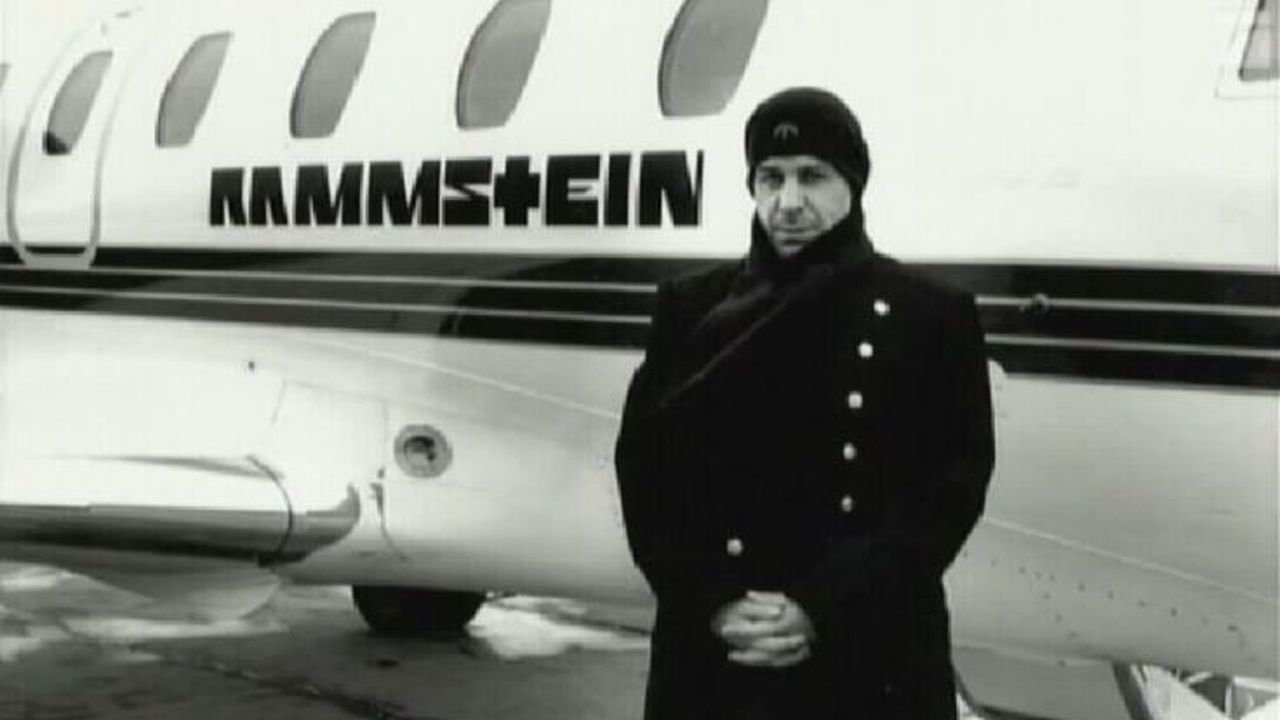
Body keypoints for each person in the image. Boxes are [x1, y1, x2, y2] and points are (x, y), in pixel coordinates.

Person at [614, 87, 996, 719]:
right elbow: (647, 474)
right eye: (771, 178)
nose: (788, 202)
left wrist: (819, 607)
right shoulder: (691, 308)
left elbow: (948, 490)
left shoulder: (929, 314)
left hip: (867, 652)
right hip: (720, 653)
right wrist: (715, 600)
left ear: (854, 183)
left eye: (812, 177)